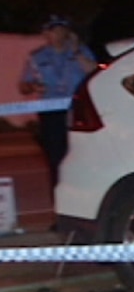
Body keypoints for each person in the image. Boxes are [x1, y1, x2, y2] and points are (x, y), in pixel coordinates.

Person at [19, 15, 97, 187]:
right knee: (55, 154)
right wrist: (32, 86)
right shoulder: (37, 57)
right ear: (46, 33)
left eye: (62, 29)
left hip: (77, 109)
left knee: (80, 152)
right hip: (51, 111)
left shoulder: (80, 51)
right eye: (54, 30)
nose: (59, 33)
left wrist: (76, 51)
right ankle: (59, 189)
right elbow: (24, 86)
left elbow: (94, 72)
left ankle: (83, 188)